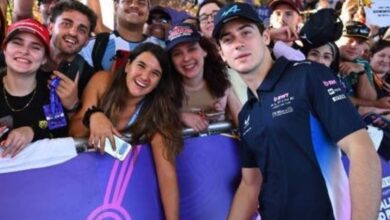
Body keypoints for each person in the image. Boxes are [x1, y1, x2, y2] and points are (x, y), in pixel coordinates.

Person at [213, 2, 381, 220]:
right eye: (228, 39)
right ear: (222, 54)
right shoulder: (247, 113)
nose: (238, 44)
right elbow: (250, 184)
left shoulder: (309, 76)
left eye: (246, 32)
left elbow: (362, 151)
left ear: (265, 37)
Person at [69, 43, 182, 220]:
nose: (145, 76)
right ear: (128, 65)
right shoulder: (102, 81)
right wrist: (94, 117)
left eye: (155, 73)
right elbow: (74, 132)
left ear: (159, 82)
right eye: (141, 65)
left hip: (124, 190)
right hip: (85, 182)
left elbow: (167, 174)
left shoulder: (157, 114)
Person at [0, 19, 68, 158]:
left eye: (35, 47)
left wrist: (33, 131)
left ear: (44, 58)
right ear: (5, 49)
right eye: (17, 43)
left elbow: (60, 134)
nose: (24, 51)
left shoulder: (53, 93)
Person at [166, 23, 241, 132]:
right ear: (171, 61)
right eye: (177, 54)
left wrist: (223, 118)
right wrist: (181, 116)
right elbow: (152, 119)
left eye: (191, 49)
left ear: (204, 51)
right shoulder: (165, 89)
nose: (186, 58)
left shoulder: (223, 84)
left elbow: (244, 122)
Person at [42, 0, 97, 113]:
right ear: (51, 28)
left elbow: (83, 126)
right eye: (66, 24)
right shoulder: (26, 58)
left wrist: (74, 105)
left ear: (87, 41)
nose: (73, 32)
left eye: (82, 30)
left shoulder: (89, 77)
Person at [79, 0, 164, 72]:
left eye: (141, 2)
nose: (134, 5)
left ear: (148, 12)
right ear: (116, 7)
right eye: (128, 1)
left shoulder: (160, 47)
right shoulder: (94, 45)